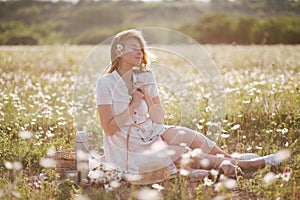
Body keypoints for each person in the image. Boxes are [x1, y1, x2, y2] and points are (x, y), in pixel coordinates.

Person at [95, 29, 281, 183]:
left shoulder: (146, 77)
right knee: (181, 154)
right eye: (134, 48)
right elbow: (109, 129)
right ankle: (252, 164)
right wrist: (134, 103)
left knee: (187, 135)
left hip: (150, 131)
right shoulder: (105, 83)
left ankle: (232, 159)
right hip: (126, 144)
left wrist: (145, 95)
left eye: (141, 48)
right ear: (119, 52)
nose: (140, 52)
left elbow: (159, 119)